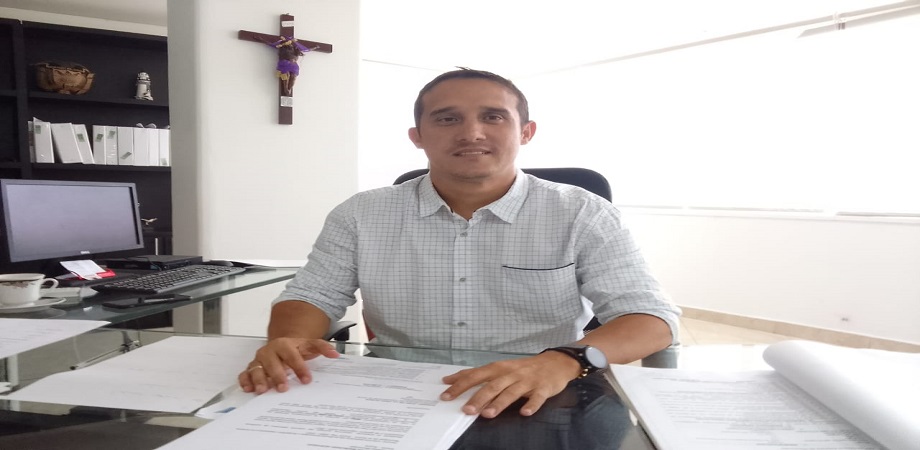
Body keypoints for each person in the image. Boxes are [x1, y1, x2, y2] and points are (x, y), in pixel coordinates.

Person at [239, 68, 681, 419]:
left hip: (542, 395)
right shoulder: (360, 213)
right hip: (395, 394)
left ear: (526, 132)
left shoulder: (582, 213)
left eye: (493, 117)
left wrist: (563, 360)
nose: (472, 132)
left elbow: (650, 318)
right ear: (417, 136)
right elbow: (311, 295)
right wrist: (290, 340)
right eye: (447, 119)